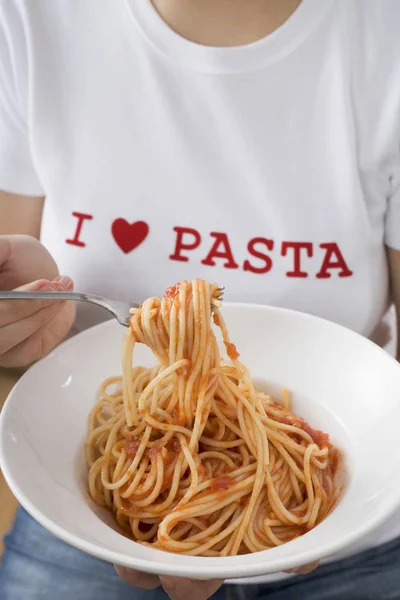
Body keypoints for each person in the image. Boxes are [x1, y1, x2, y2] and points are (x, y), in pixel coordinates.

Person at [0, 0, 400, 598]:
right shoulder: (30, 17)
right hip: (85, 523)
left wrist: (363, 458)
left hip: (356, 536)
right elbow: (14, 357)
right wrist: (19, 324)